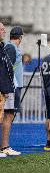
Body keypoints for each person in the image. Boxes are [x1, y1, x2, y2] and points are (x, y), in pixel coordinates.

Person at [0, 26, 24, 156]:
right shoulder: (10, 47)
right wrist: (8, 86)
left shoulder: (9, 46)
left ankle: (5, 146)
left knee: (9, 115)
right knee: (8, 115)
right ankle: (4, 146)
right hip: (11, 86)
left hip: (12, 86)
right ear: (20, 37)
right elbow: (6, 67)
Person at [0, 22, 17, 157]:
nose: (4, 32)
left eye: (4, 29)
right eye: (1, 29)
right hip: (2, 88)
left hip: (5, 88)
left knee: (5, 116)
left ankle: (4, 147)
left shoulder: (3, 48)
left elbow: (6, 71)